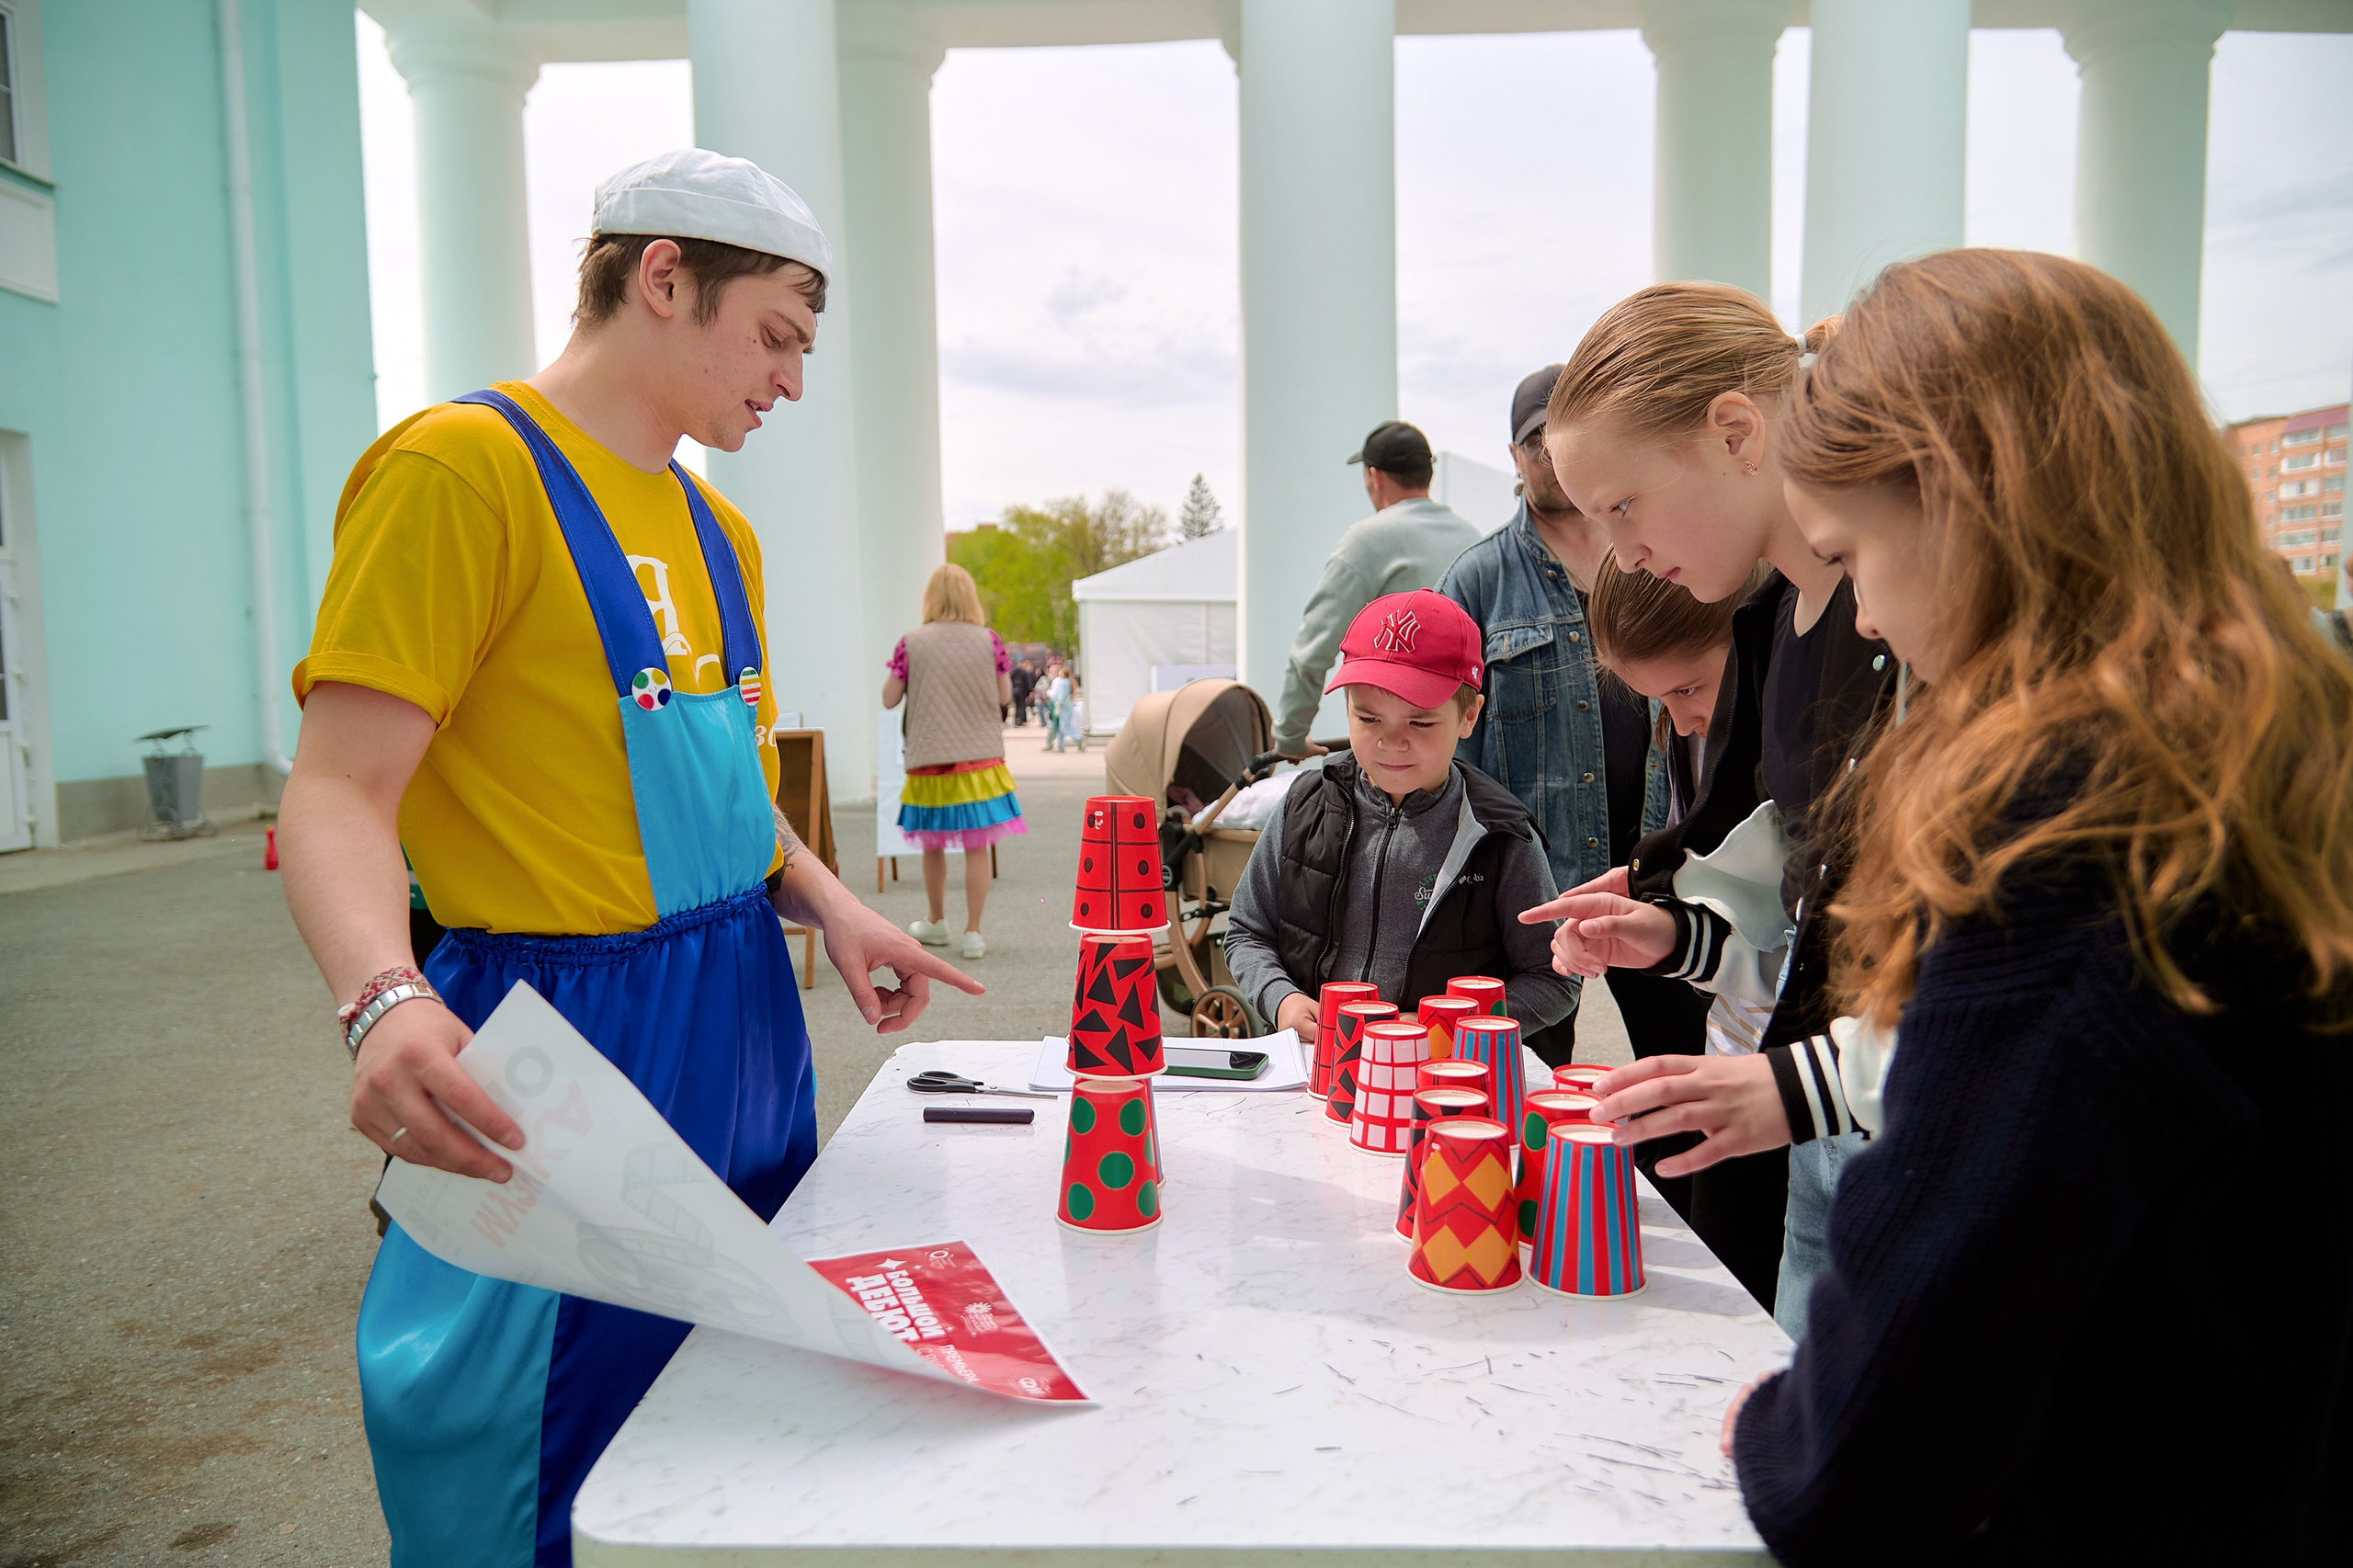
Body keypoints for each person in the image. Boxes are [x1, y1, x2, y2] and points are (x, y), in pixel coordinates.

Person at [277, 149, 982, 1568]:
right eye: (777, 333)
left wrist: (831, 902)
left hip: (739, 1021)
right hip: (557, 1044)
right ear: (664, 277)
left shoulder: (720, 532)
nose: (791, 378)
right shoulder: (457, 471)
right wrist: (381, 997)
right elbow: (337, 792)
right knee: (526, 1456)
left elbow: (718, 788)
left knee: (736, 1438)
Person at [1716, 249, 2353, 1564]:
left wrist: (1790, 1428)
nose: (1874, 625)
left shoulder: (2072, 829)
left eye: (1855, 554)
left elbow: (1883, 1437)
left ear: (1954, 492)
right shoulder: (2282, 750)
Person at [1521, 281, 1898, 1321]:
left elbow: (2002, 993)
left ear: (1735, 430)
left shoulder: (1884, 618)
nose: (1622, 553)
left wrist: (1783, 1085)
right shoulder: (1789, 631)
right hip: (1840, 1145)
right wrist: (1680, 936)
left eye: (1622, 508)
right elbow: (1804, 929)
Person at [1438, 366, 1699, 1100]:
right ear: (1515, 457)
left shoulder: (1652, 557)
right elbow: (1447, 750)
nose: (1550, 456)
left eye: (1561, 437)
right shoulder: (1478, 581)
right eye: (1533, 442)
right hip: (1537, 893)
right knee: (1530, 1096)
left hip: (1658, 874)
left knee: (1681, 1081)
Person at [1224, 590, 1578, 1054]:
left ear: (1468, 715)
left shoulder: (1501, 836)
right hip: (1313, 1071)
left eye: (1421, 723)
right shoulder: (1302, 804)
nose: (1392, 743)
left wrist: (1455, 1026)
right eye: (1369, 718)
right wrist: (1281, 999)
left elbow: (1554, 980)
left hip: (1443, 1088)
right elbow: (1247, 931)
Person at [1583, 551, 1788, 1297]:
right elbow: (1753, 937)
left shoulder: (1789, 738)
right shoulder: (1698, 736)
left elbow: (1797, 943)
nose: (1684, 720)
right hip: (1740, 1059)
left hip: (1795, 1090)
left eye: (1691, 689)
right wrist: (1668, 932)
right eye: (1657, 704)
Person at [1273, 422, 1482, 757]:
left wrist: (1290, 738)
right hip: (1469, 743)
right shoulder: (1474, 538)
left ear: (1375, 477)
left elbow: (1312, 653)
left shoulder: (1367, 541)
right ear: (1428, 473)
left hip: (1400, 749)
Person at [882, 562, 1023, 960]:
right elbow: (1003, 696)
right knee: (977, 845)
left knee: (933, 844)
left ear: (931, 598)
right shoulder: (988, 640)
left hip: (929, 758)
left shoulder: (911, 642)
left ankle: (936, 920)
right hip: (981, 760)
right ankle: (974, 932)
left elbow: (889, 698)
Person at [1009, 657, 1037, 726]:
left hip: (1015, 690)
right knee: (1021, 705)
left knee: (1017, 706)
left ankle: (1017, 718)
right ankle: (1020, 718)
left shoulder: (1013, 672)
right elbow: (1027, 682)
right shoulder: (1024, 672)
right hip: (1022, 691)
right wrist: (1029, 691)